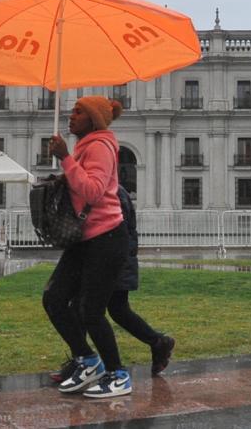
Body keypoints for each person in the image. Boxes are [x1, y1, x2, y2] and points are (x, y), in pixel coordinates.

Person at [43, 96, 132, 398]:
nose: (71, 115)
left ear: (93, 120)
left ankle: (119, 375)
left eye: (79, 112)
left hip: (107, 238)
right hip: (85, 238)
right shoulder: (85, 147)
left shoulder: (100, 146)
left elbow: (94, 191)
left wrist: (65, 159)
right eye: (72, 111)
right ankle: (88, 360)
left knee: (91, 311)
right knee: (54, 298)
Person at [50, 185, 175, 383]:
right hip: (108, 260)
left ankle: (84, 363)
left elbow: (117, 233)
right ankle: (158, 342)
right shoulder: (111, 192)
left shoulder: (113, 194)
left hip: (112, 261)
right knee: (115, 310)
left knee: (88, 308)